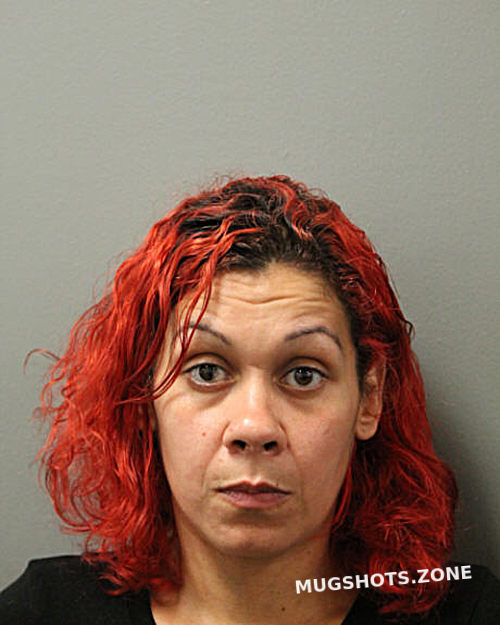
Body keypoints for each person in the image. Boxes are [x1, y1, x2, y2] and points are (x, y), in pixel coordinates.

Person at [1, 175, 498, 624]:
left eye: (303, 374)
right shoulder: (44, 611)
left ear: (369, 399)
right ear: (144, 398)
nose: (254, 427)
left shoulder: (469, 612)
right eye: (207, 371)